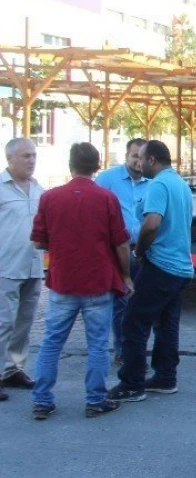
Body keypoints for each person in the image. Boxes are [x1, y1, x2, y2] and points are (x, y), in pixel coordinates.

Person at [30, 143, 132, 420]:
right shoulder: (106, 198)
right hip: (98, 281)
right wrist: (125, 276)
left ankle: (42, 401)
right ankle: (95, 400)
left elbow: (38, 240)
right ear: (97, 166)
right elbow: (121, 244)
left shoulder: (50, 198)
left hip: (63, 281)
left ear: (70, 164)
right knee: (98, 344)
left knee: (51, 342)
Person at [108, 140, 193, 403]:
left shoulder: (158, 184)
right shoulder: (180, 183)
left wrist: (139, 252)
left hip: (161, 265)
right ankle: (165, 378)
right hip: (181, 268)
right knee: (166, 324)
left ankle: (132, 383)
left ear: (153, 160)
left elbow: (152, 223)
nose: (138, 163)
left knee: (133, 321)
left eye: (142, 158)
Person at [96, 137, 149, 362]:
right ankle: (122, 350)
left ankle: (138, 349)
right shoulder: (107, 179)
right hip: (118, 251)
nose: (139, 161)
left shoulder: (154, 181)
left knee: (143, 302)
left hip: (146, 250)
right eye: (134, 156)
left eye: (143, 157)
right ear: (126, 156)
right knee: (122, 303)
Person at [0, 138, 44, 400]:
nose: (31, 161)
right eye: (26, 156)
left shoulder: (38, 189)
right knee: (3, 323)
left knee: (24, 323)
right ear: (10, 159)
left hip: (33, 266)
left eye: (34, 155)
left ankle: (13, 370)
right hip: (5, 266)